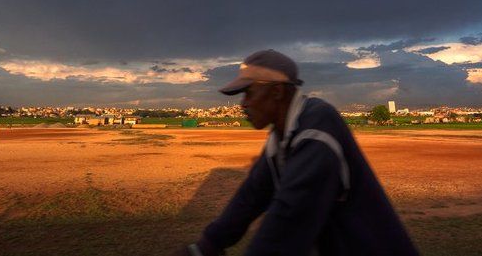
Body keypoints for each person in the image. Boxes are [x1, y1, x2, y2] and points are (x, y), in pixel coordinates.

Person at [172, 49, 420, 256]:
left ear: (277, 92)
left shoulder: (317, 128)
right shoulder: (281, 136)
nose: (243, 105)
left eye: (249, 93)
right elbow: (251, 196)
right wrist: (207, 245)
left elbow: (288, 220)